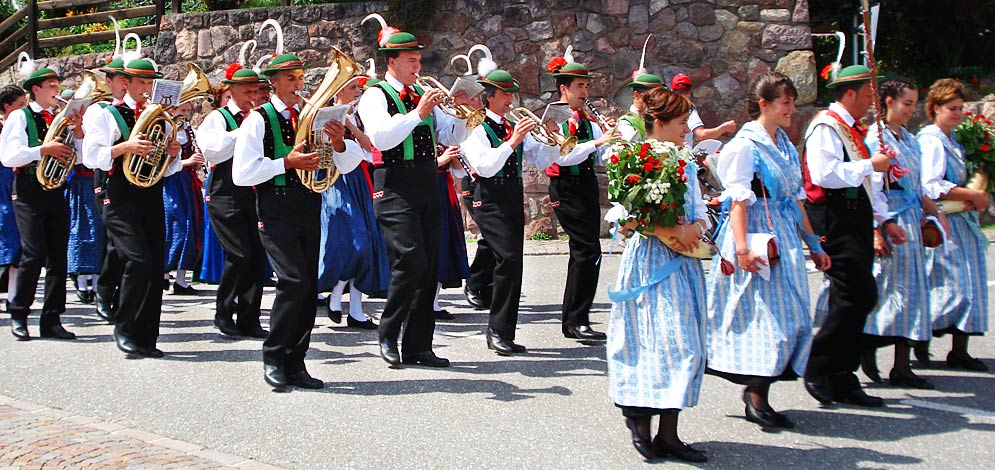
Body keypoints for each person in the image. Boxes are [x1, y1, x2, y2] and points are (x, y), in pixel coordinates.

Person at [706, 72, 831, 429]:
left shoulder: (785, 145)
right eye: (785, 102)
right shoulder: (746, 145)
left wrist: (813, 243)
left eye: (792, 102)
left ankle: (761, 390)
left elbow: (795, 200)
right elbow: (738, 201)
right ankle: (756, 395)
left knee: (790, 317)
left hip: (784, 237)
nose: (792, 109)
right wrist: (742, 247)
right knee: (765, 319)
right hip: (758, 237)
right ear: (764, 105)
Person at [233, 52, 362, 389]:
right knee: (293, 282)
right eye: (290, 79)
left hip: (309, 205)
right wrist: (285, 163)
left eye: (300, 78)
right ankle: (274, 356)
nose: (298, 85)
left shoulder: (314, 116)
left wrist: (337, 141)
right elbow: (242, 173)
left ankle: (297, 361)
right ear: (273, 84)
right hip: (275, 207)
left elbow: (348, 164)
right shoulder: (258, 120)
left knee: (307, 287)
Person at [356, 14, 471, 368]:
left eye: (419, 59)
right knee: (410, 261)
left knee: (429, 265)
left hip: (426, 181)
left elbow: (451, 137)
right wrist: (418, 112)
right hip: (393, 185)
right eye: (410, 60)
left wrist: (464, 116)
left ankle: (419, 346)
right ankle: (388, 333)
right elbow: (381, 138)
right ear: (391, 61)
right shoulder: (374, 95)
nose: (417, 65)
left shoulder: (422, 93)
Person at [607, 87, 708, 463]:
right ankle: (639, 420)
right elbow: (622, 213)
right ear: (660, 123)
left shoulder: (686, 162)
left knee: (684, 345)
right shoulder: (635, 158)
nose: (688, 129)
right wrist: (657, 228)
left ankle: (669, 433)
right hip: (650, 261)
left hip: (683, 263)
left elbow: (699, 209)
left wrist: (695, 226)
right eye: (682, 123)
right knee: (650, 341)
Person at [802, 65, 905, 407]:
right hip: (834, 217)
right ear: (849, 94)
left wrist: (884, 219)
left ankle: (842, 373)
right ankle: (820, 366)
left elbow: (867, 185)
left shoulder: (852, 128)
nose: (871, 103)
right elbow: (824, 174)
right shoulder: (826, 127)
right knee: (853, 294)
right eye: (866, 95)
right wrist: (869, 165)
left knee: (858, 296)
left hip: (855, 215)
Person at [460, 68, 565, 354]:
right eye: (505, 94)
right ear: (489, 97)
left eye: (511, 94)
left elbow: (540, 159)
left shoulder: (511, 127)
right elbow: (484, 166)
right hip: (488, 195)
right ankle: (496, 329)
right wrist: (512, 142)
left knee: (511, 261)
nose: (510, 99)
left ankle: (502, 328)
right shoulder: (475, 126)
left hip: (511, 193)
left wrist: (554, 142)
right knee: (507, 259)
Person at [83, 58, 183, 358]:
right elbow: (91, 156)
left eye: (151, 83)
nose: (147, 89)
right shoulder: (106, 114)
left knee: (154, 266)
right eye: (142, 83)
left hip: (150, 193)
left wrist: (172, 153)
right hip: (119, 195)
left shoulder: (161, 119)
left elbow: (168, 170)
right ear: (126, 83)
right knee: (137, 261)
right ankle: (124, 328)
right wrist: (125, 147)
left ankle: (146, 337)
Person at [860, 80, 943, 389]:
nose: (911, 110)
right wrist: (876, 230)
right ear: (889, 102)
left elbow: (917, 184)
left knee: (912, 294)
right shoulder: (876, 137)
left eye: (913, 104)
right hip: (889, 217)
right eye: (906, 103)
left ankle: (901, 364)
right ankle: (868, 349)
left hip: (910, 218)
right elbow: (872, 187)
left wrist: (934, 212)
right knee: (886, 291)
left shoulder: (908, 138)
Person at [0, 64, 80, 341]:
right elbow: (9, 156)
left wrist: (78, 132)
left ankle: (52, 319)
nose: (57, 92)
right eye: (52, 87)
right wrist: (42, 150)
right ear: (36, 90)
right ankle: (19, 313)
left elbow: (79, 159)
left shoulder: (59, 117)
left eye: (58, 86)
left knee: (59, 256)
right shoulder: (20, 117)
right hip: (28, 189)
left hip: (56, 189)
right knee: (33, 253)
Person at [917, 78, 990, 371]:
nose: (958, 113)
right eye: (952, 108)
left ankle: (960, 349)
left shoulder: (953, 140)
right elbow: (930, 185)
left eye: (960, 108)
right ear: (935, 108)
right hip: (943, 219)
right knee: (947, 285)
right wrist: (971, 194)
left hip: (962, 220)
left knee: (970, 283)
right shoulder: (931, 140)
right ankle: (919, 341)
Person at [544, 52, 618, 341]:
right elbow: (563, 157)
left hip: (585, 183)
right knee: (586, 249)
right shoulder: (557, 116)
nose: (584, 93)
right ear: (564, 88)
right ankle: (575, 320)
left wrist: (611, 138)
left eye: (586, 87)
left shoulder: (586, 118)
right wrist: (598, 140)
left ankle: (577, 318)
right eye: (579, 87)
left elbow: (600, 152)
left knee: (588, 252)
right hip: (566, 186)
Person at [198, 67, 268, 339]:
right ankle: (223, 312)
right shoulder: (218, 117)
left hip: (254, 193)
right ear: (233, 91)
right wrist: (245, 129)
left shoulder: (262, 117)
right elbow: (214, 150)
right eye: (248, 92)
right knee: (238, 254)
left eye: (257, 91)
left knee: (257, 257)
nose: (254, 96)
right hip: (225, 194)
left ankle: (250, 318)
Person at [318, 75, 379, 330]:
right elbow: (322, 151)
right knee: (351, 241)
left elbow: (371, 147)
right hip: (336, 180)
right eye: (353, 87)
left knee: (365, 244)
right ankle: (335, 292)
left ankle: (355, 309)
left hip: (359, 180)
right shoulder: (322, 113)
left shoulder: (357, 117)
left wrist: (351, 126)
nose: (358, 91)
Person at [85, 58, 129, 324]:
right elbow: (91, 152)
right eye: (119, 79)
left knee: (130, 245)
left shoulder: (141, 108)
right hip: (109, 177)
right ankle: (104, 292)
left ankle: (122, 297)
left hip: (136, 181)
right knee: (116, 242)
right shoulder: (99, 111)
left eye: (128, 79)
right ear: (108, 82)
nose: (125, 85)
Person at [161, 101, 204, 295]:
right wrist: (188, 161)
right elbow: (166, 164)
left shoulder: (188, 131)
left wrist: (195, 164)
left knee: (190, 227)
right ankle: (164, 273)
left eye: (188, 110)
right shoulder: (169, 131)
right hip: (172, 183)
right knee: (175, 226)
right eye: (182, 110)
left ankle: (181, 278)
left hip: (187, 182)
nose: (186, 114)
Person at [432, 144, 471, 320]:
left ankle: (433, 301)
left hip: (443, 191)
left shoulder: (445, 137)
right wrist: (441, 160)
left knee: (444, 245)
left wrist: (454, 156)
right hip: (423, 188)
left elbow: (459, 173)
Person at [0, 86, 27, 313]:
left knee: (17, 241)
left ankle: (13, 296)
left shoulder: (24, 126)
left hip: (14, 186)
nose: (24, 110)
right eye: (19, 105)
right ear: (7, 107)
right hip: (2, 186)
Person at [670, 73, 736, 147]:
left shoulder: (662, 108)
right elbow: (702, 135)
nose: (683, 95)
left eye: (685, 91)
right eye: (679, 92)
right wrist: (724, 128)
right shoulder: (689, 110)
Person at [617, 73, 664, 143]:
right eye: (651, 96)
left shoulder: (659, 118)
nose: (656, 101)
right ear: (636, 95)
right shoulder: (627, 122)